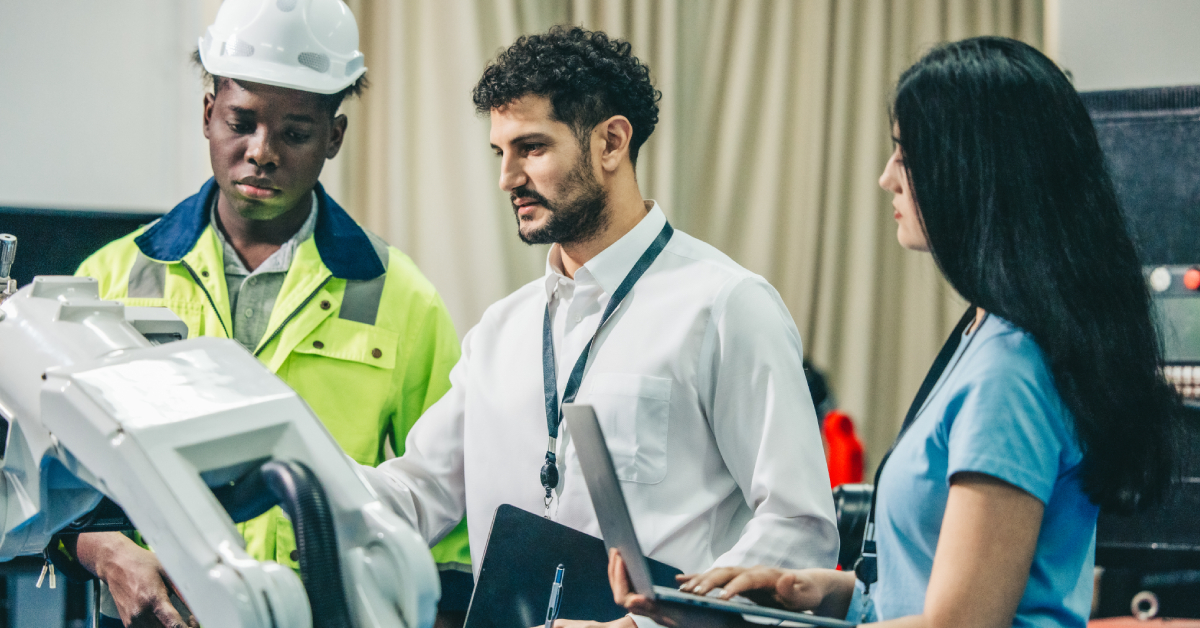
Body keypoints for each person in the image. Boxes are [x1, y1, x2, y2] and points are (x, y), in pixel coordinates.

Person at [607, 37, 1182, 628]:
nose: (887, 178)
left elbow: (960, 625)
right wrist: (808, 590)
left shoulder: (1012, 369)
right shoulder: (984, 335)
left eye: (905, 155)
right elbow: (925, 594)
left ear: (974, 171)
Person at [359, 25, 839, 628]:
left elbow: (798, 530)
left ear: (611, 142)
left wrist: (649, 626)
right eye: (500, 153)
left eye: (531, 148)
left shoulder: (726, 306)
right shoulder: (501, 330)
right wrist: (286, 467)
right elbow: (417, 490)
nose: (507, 177)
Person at [67, 1, 468, 626]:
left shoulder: (402, 298)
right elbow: (50, 474)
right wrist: (100, 547)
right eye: (242, 121)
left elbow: (449, 531)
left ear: (334, 136)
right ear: (208, 115)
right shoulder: (110, 279)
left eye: (296, 132)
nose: (262, 151)